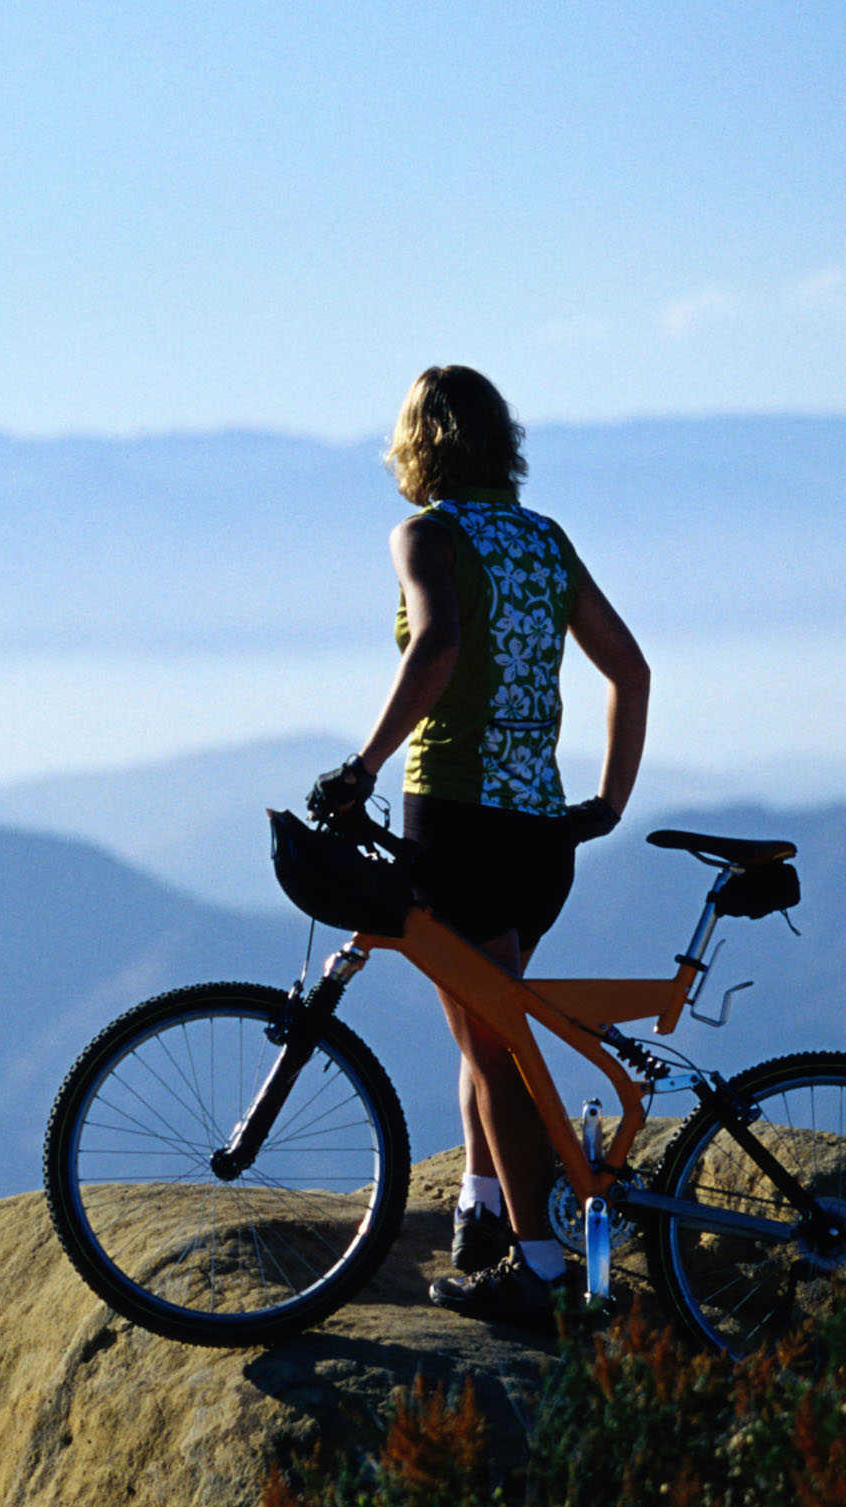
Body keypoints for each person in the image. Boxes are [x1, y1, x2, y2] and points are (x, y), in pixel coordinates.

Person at [306, 365, 649, 1328]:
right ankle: (483, 1205)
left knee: (490, 1039)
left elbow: (438, 645)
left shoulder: (426, 535)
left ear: (418, 444)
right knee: (478, 1021)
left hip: (456, 820)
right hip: (542, 836)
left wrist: (364, 765)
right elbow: (632, 670)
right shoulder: (547, 544)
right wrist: (608, 802)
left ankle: (539, 1262)